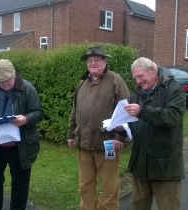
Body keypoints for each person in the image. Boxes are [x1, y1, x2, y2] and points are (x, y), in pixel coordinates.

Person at [66, 46, 130, 210]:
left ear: (104, 62)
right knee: (85, 184)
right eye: (90, 60)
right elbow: (75, 109)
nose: (93, 63)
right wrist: (70, 134)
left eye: (97, 60)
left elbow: (125, 110)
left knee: (109, 185)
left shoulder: (115, 80)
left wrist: (120, 137)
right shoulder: (82, 83)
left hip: (107, 143)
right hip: (84, 144)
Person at [0, 59, 44, 210]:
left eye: (7, 81)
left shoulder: (27, 88)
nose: (5, 84)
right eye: (1, 82)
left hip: (20, 147)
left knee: (19, 186)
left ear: (14, 75)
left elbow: (39, 113)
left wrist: (25, 119)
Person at [124, 57, 186, 210]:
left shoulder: (174, 90)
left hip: (164, 167)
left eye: (140, 76)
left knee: (168, 206)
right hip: (140, 164)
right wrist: (123, 128)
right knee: (139, 206)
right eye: (135, 78)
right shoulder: (137, 94)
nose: (138, 81)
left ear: (152, 70)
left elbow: (173, 117)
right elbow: (134, 124)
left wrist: (143, 111)